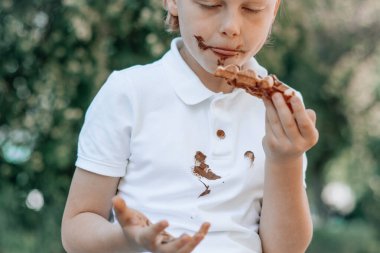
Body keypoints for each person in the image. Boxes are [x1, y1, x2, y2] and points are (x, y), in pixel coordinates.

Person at [61, 0, 319, 252]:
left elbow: (285, 248)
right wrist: (127, 240)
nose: (231, 27)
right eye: (210, 5)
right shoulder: (129, 93)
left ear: (274, 10)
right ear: (172, 2)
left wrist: (286, 159)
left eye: (252, 9)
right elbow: (76, 227)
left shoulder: (280, 110)